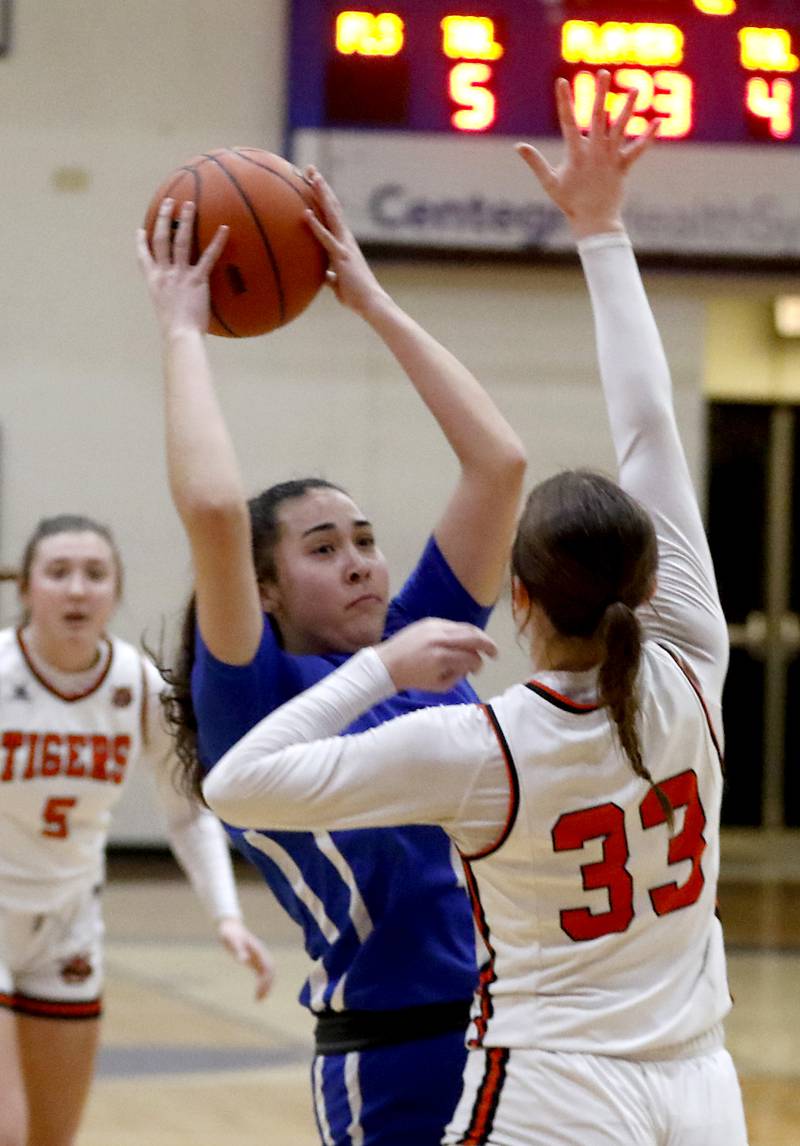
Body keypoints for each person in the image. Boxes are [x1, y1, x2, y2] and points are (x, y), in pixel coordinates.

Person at [201, 74, 749, 1146]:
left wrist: (381, 669)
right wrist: (602, 234)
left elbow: (236, 784)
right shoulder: (694, 661)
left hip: (556, 1090)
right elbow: (648, 432)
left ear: (522, 596)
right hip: (702, 1084)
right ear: (650, 579)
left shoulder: (478, 746)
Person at [136, 169, 526, 1143]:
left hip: (520, 1039)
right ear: (265, 593)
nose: (357, 562)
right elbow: (219, 513)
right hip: (396, 1055)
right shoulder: (253, 695)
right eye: (322, 549)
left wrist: (369, 296)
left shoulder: (414, 628)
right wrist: (182, 331)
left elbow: (498, 465)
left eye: (362, 538)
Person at [0, 514, 275, 1146]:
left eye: (95, 575)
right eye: (59, 573)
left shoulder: (137, 685)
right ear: (27, 590)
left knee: (51, 1136)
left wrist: (226, 916)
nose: (77, 590)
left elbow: (186, 812)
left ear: (116, 592)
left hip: (67, 922)